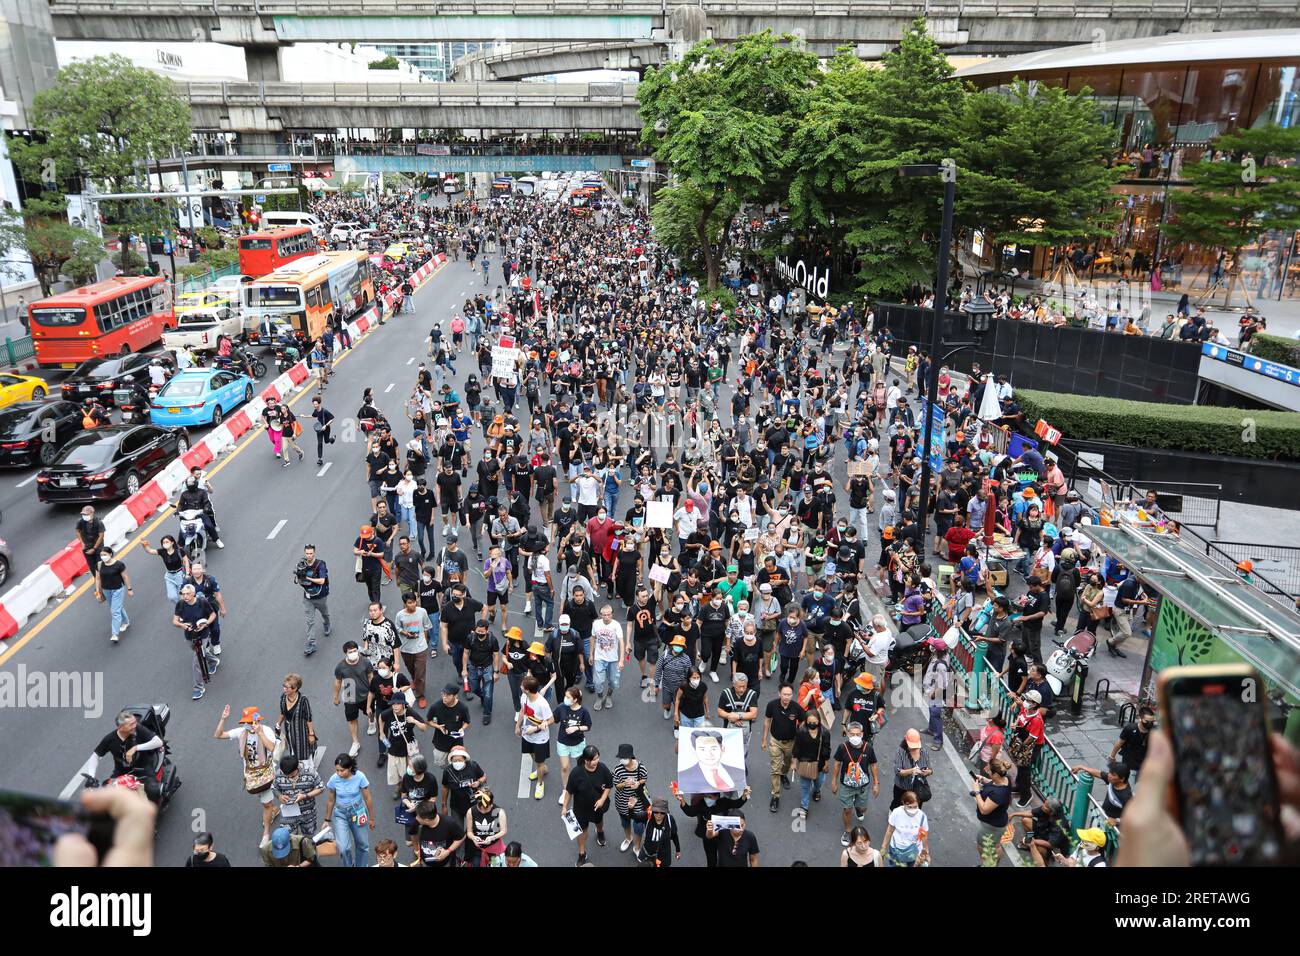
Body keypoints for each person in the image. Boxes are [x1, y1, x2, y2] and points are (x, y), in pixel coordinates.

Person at [212, 705, 278, 846]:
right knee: (264, 799)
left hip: (265, 773)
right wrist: (223, 718)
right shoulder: (242, 732)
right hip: (251, 775)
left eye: (250, 722)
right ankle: (274, 809)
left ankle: (266, 834)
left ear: (257, 720)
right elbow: (218, 735)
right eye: (245, 722)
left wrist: (260, 733)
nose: (247, 725)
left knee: (265, 804)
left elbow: (272, 748)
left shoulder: (266, 730)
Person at [563, 743, 614, 866]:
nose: (596, 761)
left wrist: (602, 799)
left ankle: (600, 832)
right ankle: (581, 853)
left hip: (598, 807)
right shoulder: (576, 773)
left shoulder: (603, 768)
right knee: (582, 830)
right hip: (581, 809)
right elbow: (569, 791)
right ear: (586, 760)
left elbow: (608, 786)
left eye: (597, 758)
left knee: (599, 821)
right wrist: (564, 807)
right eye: (593, 759)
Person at [831, 721, 880, 846]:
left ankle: (858, 808)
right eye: (852, 734)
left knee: (862, 808)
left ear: (862, 734)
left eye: (858, 734)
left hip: (862, 786)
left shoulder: (868, 748)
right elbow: (837, 765)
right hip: (846, 786)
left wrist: (876, 783)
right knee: (847, 809)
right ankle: (848, 831)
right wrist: (834, 782)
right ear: (847, 734)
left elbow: (873, 765)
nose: (855, 737)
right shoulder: (843, 748)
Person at [325, 752, 376, 867]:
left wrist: (372, 818)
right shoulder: (334, 779)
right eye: (337, 770)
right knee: (343, 848)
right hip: (340, 814)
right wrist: (326, 820)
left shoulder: (360, 776)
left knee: (362, 844)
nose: (339, 773)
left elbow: (367, 798)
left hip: (358, 812)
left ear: (350, 768)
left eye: (342, 770)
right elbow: (330, 800)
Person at [761, 682, 805, 812]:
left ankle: (784, 774)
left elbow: (803, 721)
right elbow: (766, 721)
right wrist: (764, 739)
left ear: (792, 695)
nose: (786, 697)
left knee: (786, 764)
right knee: (775, 768)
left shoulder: (796, 708)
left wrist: (800, 731)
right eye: (784, 694)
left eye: (789, 694)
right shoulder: (772, 705)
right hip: (775, 741)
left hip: (790, 743)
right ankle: (775, 795)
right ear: (779, 693)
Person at [173, 583, 219, 701]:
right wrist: (183, 625)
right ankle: (214, 660)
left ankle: (199, 687)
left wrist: (206, 624)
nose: (185, 596)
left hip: (203, 635)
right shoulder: (180, 604)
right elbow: (175, 621)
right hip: (189, 635)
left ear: (193, 594)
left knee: (197, 661)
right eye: (183, 594)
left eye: (188, 594)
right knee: (200, 653)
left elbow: (213, 614)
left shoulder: (202, 602)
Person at [516, 674, 554, 800]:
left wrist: (536, 728)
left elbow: (551, 720)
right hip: (527, 735)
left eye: (522, 686)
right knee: (532, 755)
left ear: (527, 689)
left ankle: (540, 783)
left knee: (539, 762)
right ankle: (542, 769)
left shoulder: (542, 704)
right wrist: (518, 726)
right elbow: (522, 711)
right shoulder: (524, 697)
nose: (520, 686)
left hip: (540, 738)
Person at [972, 756, 1013, 865]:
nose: (986, 770)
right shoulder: (1006, 779)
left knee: (982, 848)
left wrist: (977, 792)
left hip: (990, 826)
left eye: (989, 770)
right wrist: (984, 780)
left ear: (996, 774)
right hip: (999, 822)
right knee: (996, 845)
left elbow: (984, 810)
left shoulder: (998, 794)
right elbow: (995, 782)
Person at [1010, 689, 1047, 807]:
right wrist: (1015, 724)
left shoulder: (1037, 720)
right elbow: (1020, 716)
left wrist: (1021, 747)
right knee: (1020, 765)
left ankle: (1026, 795)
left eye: (1027, 700)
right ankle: (1018, 785)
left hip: (1032, 745)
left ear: (1034, 704)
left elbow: (1032, 738)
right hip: (1022, 740)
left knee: (1025, 769)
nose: (1024, 701)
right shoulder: (1025, 709)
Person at [272, 754, 323, 839]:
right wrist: (280, 796)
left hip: (307, 813)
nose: (289, 777)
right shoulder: (279, 773)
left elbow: (320, 787)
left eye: (292, 775)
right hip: (288, 814)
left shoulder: (310, 773)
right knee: (289, 838)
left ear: (298, 767)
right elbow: (274, 788)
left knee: (309, 838)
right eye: (286, 776)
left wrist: (305, 796)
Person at [93, 545, 133, 644]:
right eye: (101, 555)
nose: (103, 556)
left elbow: (125, 577)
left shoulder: (119, 565)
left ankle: (114, 634)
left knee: (114, 611)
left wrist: (129, 589)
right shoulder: (99, 565)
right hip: (106, 590)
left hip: (117, 590)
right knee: (117, 607)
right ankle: (126, 622)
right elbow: (97, 578)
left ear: (110, 554)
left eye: (105, 554)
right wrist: (97, 590)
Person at [296, 544, 330, 657]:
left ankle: (327, 624)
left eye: (311, 553)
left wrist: (308, 578)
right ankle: (312, 644)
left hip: (320, 597)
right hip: (308, 598)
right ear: (304, 553)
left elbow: (321, 581)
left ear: (314, 553)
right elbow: (299, 581)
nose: (309, 555)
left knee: (325, 614)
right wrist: (300, 577)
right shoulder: (301, 564)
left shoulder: (320, 564)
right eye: (307, 553)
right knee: (309, 621)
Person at [881, 789, 929, 867]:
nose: (913, 810)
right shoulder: (897, 812)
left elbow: (924, 835)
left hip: (913, 850)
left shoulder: (922, 816)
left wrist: (926, 851)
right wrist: (883, 847)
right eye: (909, 807)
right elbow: (890, 830)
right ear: (903, 803)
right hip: (896, 849)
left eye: (915, 807)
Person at [412, 800, 467, 867]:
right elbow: (413, 834)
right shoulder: (417, 823)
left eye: (418, 817)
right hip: (425, 863)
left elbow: (461, 837)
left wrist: (447, 852)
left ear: (426, 820)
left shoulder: (449, 823)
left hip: (446, 863)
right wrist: (417, 850)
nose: (416, 818)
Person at [891, 728, 933, 809]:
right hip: (902, 787)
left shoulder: (924, 752)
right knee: (897, 803)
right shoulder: (900, 752)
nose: (913, 748)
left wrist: (928, 772)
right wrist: (911, 771)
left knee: (915, 807)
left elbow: (930, 769)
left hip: (917, 788)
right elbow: (898, 771)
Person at [639, 797, 682, 867]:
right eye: (656, 812)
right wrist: (630, 809)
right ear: (653, 810)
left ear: (665, 812)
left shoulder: (670, 820)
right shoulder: (648, 816)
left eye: (662, 812)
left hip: (664, 855)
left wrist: (678, 850)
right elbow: (634, 816)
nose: (659, 815)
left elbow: (674, 835)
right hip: (649, 853)